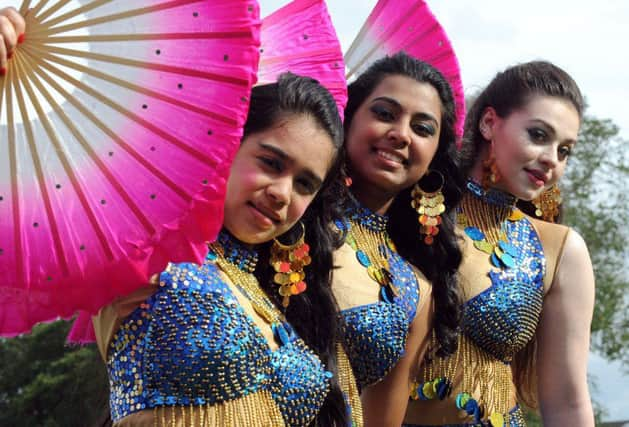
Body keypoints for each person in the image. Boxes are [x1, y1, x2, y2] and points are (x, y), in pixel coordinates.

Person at [92, 72, 354, 426]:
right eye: (271, 163)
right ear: (229, 145)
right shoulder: (144, 246)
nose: (282, 192)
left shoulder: (270, 295)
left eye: (304, 184)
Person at [404, 61, 595, 426]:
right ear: (489, 122)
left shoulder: (560, 250)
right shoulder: (409, 210)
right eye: (539, 135)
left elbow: (568, 402)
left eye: (565, 150)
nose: (551, 159)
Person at [332, 52, 465, 426]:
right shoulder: (285, 225)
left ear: (434, 157)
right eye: (385, 114)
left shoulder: (415, 289)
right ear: (348, 117)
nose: (401, 134)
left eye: (422, 128)